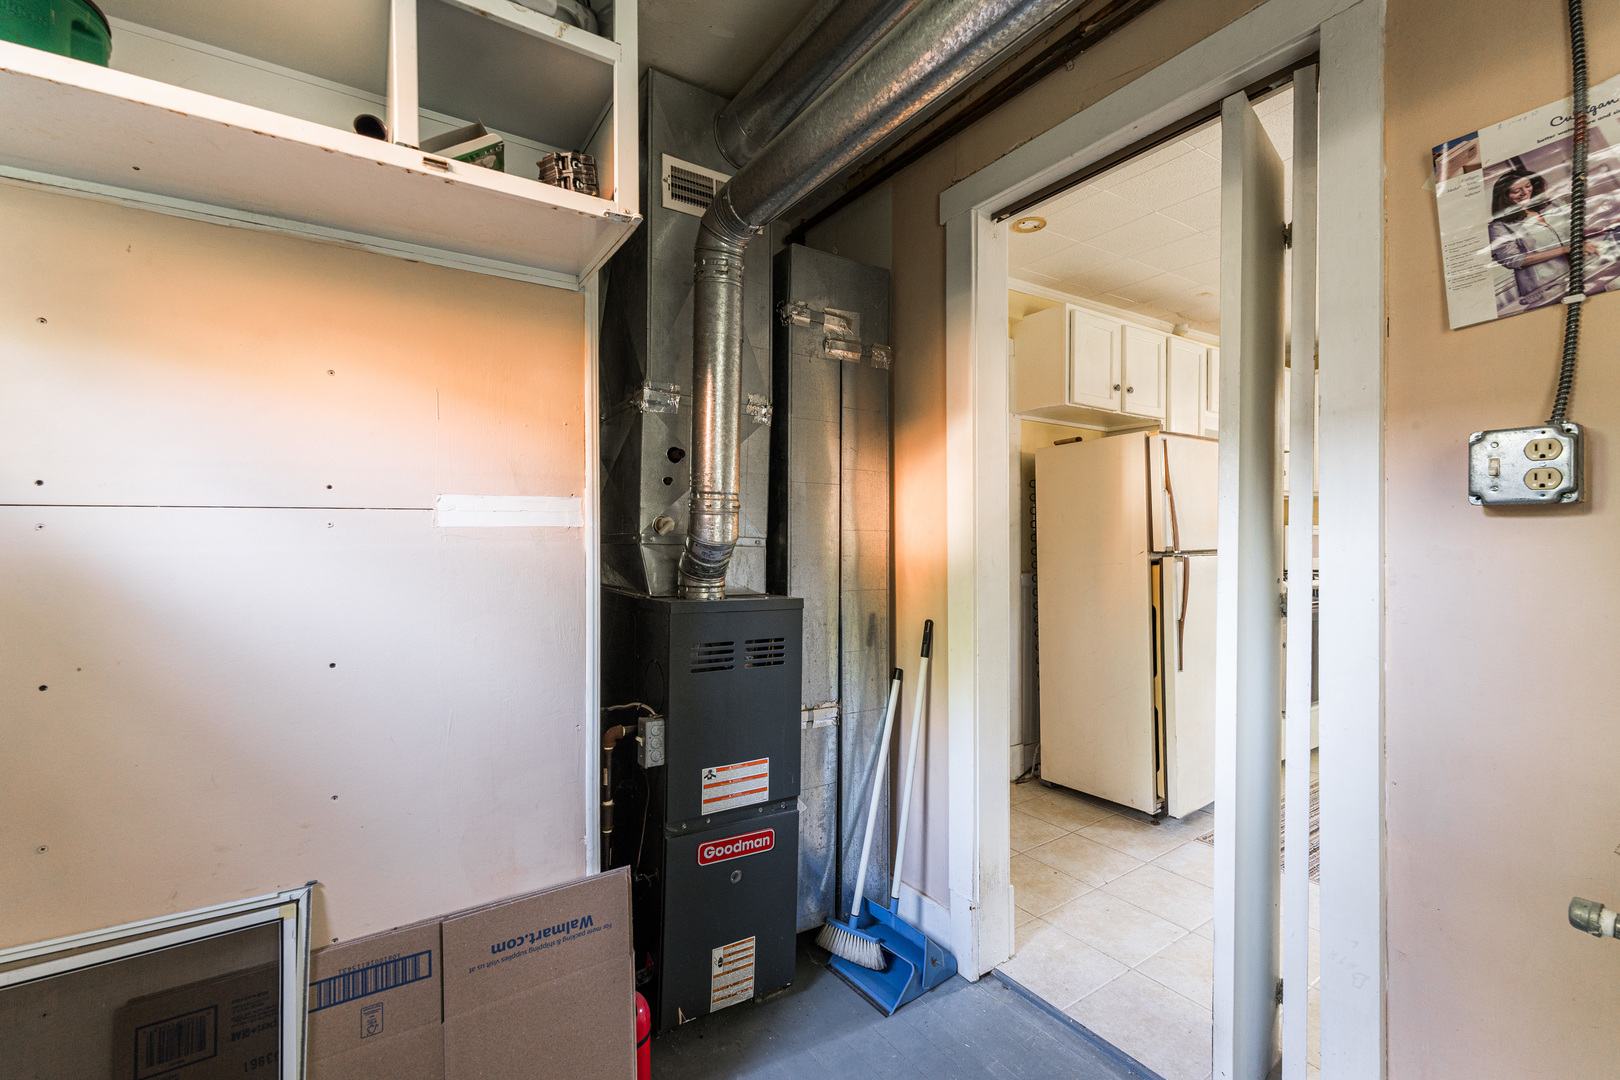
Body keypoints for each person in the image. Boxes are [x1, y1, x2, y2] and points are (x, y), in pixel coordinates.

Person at [1488, 168, 1596, 308]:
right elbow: (1512, 260)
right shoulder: (1499, 227)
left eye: (1528, 186)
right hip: (1545, 288)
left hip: (1578, 273)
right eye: (1517, 191)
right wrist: (1565, 249)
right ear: (1504, 196)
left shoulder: (1552, 206)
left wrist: (1599, 228)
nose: (1526, 193)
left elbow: (1572, 231)